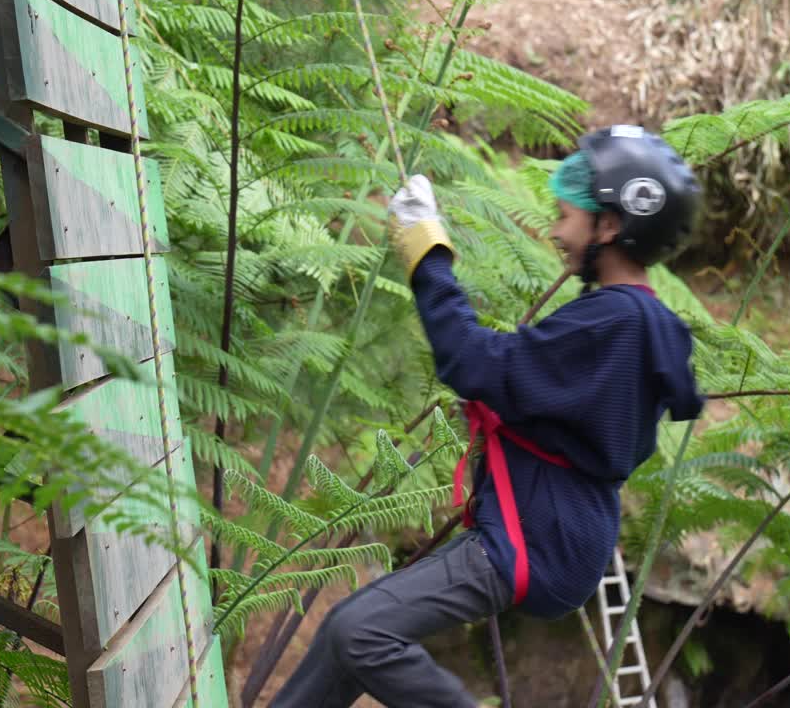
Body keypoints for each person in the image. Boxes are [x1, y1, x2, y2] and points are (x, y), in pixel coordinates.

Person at [271, 125, 705, 708]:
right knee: (346, 627)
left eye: (565, 216)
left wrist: (427, 248)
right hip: (548, 529)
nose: (555, 232)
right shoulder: (632, 320)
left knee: (361, 632)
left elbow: (472, 361)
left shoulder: (613, 324)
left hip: (537, 538)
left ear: (611, 224)